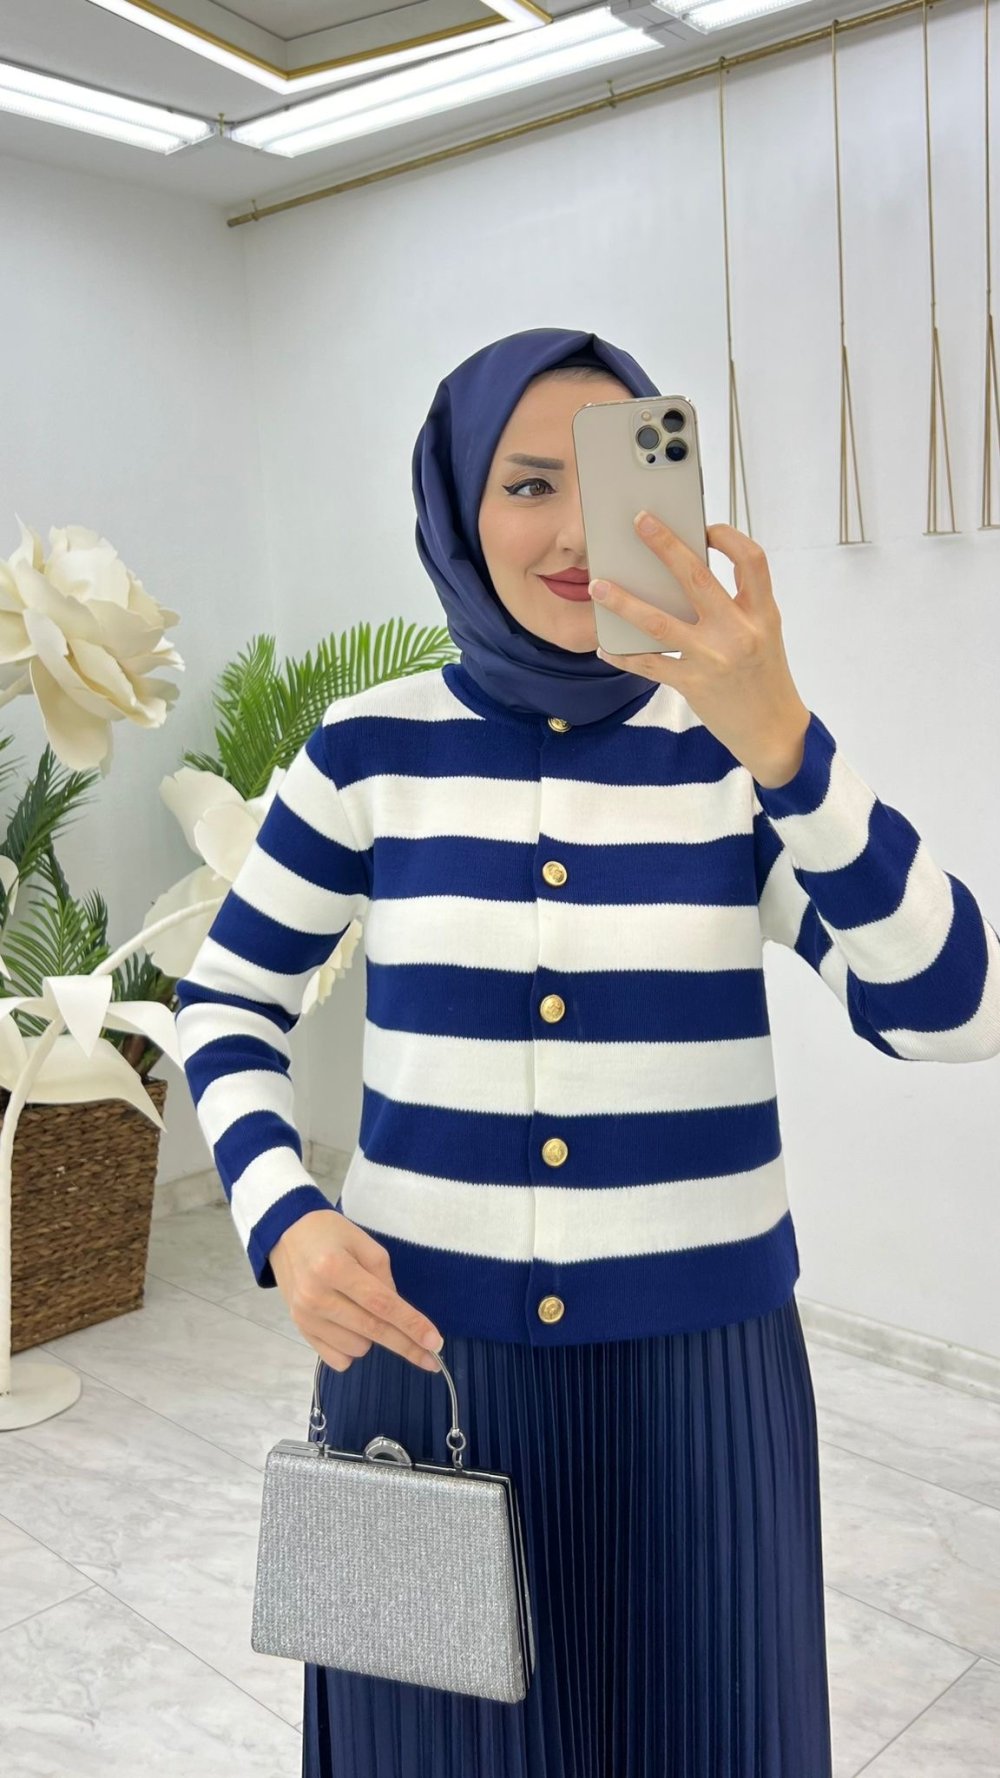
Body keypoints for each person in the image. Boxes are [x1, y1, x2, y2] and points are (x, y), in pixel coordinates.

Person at [174, 326, 1000, 1778]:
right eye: (526, 484)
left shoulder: (735, 757)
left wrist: (787, 741)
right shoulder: (366, 750)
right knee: (433, 1749)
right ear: (456, 503)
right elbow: (228, 998)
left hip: (702, 1390)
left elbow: (953, 1008)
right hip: (422, 1371)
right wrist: (283, 1215)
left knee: (707, 1734)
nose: (569, 533)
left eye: (606, 481)